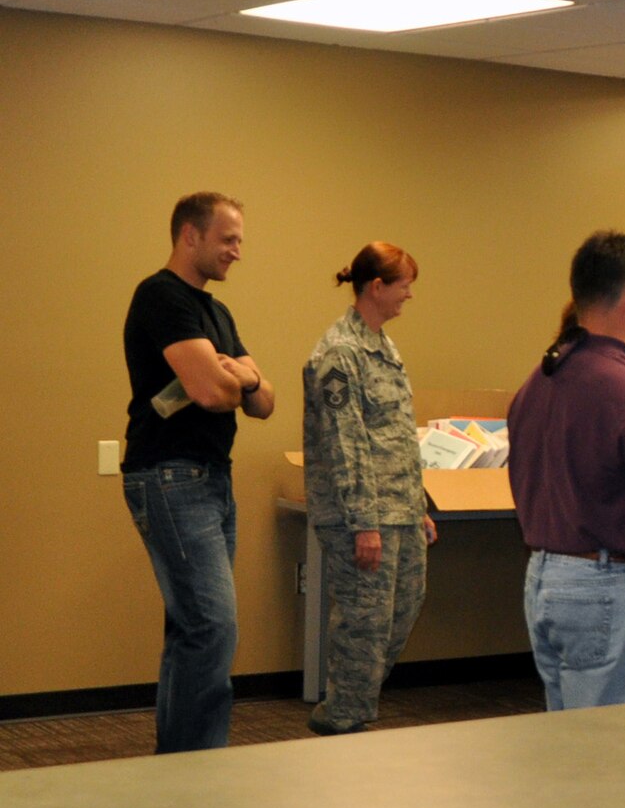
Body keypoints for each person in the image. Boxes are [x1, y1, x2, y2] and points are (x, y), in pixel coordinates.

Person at [508, 231, 625, 710]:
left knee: (569, 740)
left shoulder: (538, 383)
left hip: (543, 583)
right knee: (615, 756)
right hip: (607, 590)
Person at [120, 192, 276, 753]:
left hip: (212, 479)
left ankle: (178, 764)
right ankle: (194, 769)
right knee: (212, 627)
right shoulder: (161, 296)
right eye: (228, 239)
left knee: (194, 627)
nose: (237, 251)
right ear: (191, 235)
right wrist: (238, 375)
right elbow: (210, 390)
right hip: (168, 477)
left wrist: (247, 380)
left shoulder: (217, 312)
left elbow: (264, 402)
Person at [301, 242, 437, 735]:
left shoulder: (383, 345)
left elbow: (396, 437)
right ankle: (342, 719)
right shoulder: (341, 353)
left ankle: (352, 706)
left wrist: (417, 506)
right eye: (405, 285)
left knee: (401, 611)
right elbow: (347, 444)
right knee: (365, 621)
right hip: (359, 516)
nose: (410, 296)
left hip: (399, 510)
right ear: (376, 287)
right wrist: (364, 524)